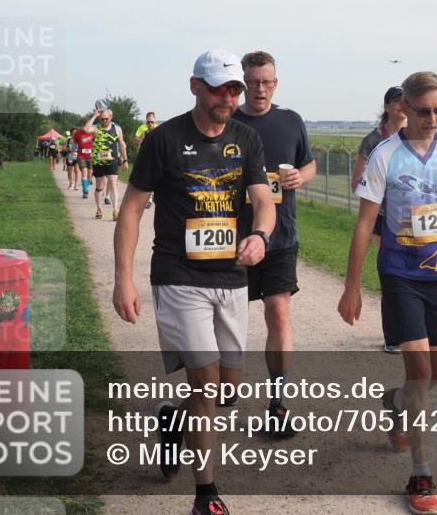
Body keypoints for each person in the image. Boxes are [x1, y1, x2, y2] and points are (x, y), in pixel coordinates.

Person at [113, 49, 275, 515]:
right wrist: (124, 279)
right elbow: (130, 210)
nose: (228, 97)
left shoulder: (246, 138)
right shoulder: (163, 140)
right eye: (219, 88)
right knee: (204, 380)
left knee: (227, 388)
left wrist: (260, 235)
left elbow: (263, 200)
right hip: (178, 276)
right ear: (195, 87)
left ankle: (173, 422)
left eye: (234, 90)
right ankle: (207, 495)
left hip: (231, 276)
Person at [337, 71, 437, 515]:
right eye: (424, 111)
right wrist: (352, 286)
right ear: (403, 106)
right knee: (420, 368)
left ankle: (396, 402)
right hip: (401, 274)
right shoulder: (385, 155)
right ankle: (421, 474)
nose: (433, 118)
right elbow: (366, 223)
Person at [231, 51, 316, 437]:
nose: (259, 89)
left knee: (278, 314)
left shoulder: (290, 120)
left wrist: (302, 176)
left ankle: (278, 401)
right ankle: (218, 387)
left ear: (276, 83)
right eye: (252, 81)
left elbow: (308, 162)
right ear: (241, 83)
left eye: (266, 81)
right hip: (232, 240)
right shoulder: (227, 120)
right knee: (227, 320)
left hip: (280, 236)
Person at [351, 86, 407, 353]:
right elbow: (357, 182)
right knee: (393, 273)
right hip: (382, 216)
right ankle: (394, 335)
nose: (402, 106)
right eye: (397, 102)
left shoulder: (416, 137)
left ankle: (416, 329)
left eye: (406, 102)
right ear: (387, 107)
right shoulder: (374, 141)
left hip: (410, 217)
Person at [84, 108, 128, 220]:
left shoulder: (117, 129)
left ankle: (115, 210)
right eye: (102, 119)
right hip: (98, 161)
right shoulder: (96, 128)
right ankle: (99, 208)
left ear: (111, 117)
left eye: (106, 119)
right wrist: (94, 116)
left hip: (112, 160)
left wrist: (125, 159)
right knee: (99, 187)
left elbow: (122, 144)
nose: (104, 121)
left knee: (113, 183)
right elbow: (86, 129)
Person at [134, 112, 158, 209]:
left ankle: (150, 199)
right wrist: (140, 140)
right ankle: (146, 198)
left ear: (155, 121)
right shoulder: (142, 128)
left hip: (154, 156)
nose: (150, 124)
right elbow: (135, 139)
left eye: (152, 122)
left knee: (154, 177)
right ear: (146, 121)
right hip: (143, 155)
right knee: (144, 176)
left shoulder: (158, 129)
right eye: (148, 122)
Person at [73, 121, 95, 198]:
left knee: (89, 175)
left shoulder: (93, 132)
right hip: (81, 156)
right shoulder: (77, 133)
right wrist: (72, 153)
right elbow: (74, 144)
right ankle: (85, 191)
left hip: (90, 156)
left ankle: (86, 188)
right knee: (84, 172)